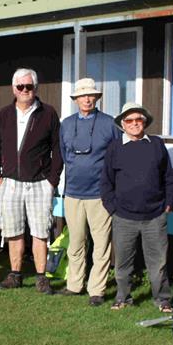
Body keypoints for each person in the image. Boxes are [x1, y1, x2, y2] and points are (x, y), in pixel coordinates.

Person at [0, 68, 63, 294]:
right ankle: (15, 274)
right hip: (10, 182)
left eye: (28, 86)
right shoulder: (4, 113)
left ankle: (41, 278)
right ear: (13, 89)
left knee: (40, 231)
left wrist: (52, 180)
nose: (24, 90)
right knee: (14, 231)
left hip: (40, 183)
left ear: (35, 88)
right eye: (20, 86)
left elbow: (58, 149)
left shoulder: (48, 113)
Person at [101, 103, 173, 312]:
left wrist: (168, 203)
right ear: (123, 124)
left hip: (154, 216)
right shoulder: (114, 147)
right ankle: (123, 297)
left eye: (138, 120)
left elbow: (168, 177)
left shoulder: (156, 144)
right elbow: (106, 182)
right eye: (130, 120)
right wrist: (112, 208)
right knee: (123, 263)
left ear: (144, 122)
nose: (134, 124)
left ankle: (162, 299)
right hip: (123, 217)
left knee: (158, 262)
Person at [58, 77, 119, 306]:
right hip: (73, 193)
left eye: (90, 94)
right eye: (82, 95)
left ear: (97, 97)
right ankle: (74, 285)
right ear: (76, 99)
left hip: (99, 194)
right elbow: (64, 154)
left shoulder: (110, 124)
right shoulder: (66, 123)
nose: (87, 98)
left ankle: (97, 290)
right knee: (76, 242)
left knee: (101, 245)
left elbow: (116, 156)